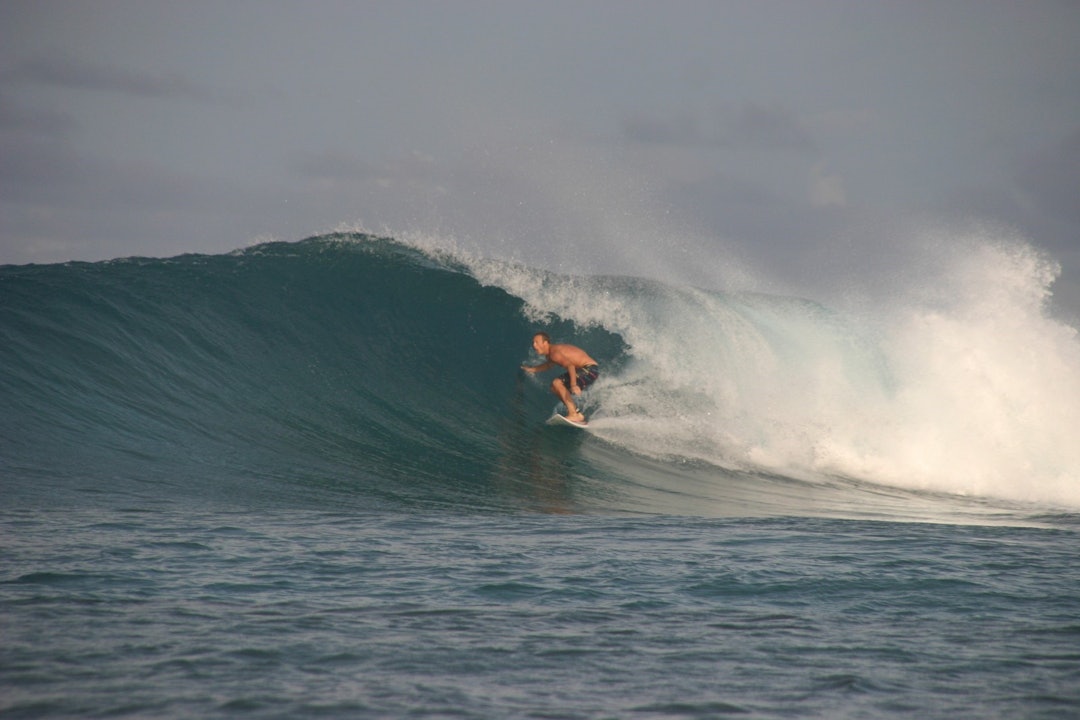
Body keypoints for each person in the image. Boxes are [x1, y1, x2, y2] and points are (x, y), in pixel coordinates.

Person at [521, 332, 599, 424]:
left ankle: (573, 414)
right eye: (533, 342)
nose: (534, 345)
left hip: (589, 369)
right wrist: (532, 369)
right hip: (587, 370)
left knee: (557, 383)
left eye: (537, 342)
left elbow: (570, 366)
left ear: (545, 343)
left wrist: (573, 385)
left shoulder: (554, 353)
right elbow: (549, 365)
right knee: (554, 388)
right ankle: (576, 413)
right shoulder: (550, 354)